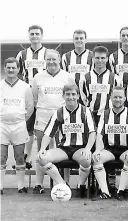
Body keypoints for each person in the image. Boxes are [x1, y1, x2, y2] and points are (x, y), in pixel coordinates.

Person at [36, 84, 95, 198]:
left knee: (87, 159)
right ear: (63, 96)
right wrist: (42, 149)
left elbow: (93, 132)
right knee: (42, 158)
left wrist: (88, 149)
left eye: (73, 94)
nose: (70, 97)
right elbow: (48, 133)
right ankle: (62, 185)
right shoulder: (58, 112)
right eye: (67, 94)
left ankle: (80, 186)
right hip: (63, 149)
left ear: (78, 96)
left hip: (80, 148)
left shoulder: (85, 111)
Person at [31, 49, 76, 194]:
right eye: (48, 59)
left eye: (53, 59)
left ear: (59, 60)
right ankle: (39, 184)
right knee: (41, 151)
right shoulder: (38, 77)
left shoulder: (67, 77)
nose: (51, 62)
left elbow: (73, 96)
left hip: (63, 118)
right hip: (43, 118)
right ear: (45, 60)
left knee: (64, 150)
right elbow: (35, 98)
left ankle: (65, 182)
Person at [92, 86, 128, 200]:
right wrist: (98, 149)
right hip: (110, 149)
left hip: (125, 149)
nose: (117, 100)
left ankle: (120, 191)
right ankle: (105, 192)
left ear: (124, 99)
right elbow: (99, 134)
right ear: (111, 98)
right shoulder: (105, 114)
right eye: (115, 97)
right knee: (96, 158)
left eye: (120, 97)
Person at [0, 58, 34, 194]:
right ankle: (0, 186)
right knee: (1, 157)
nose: (11, 70)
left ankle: (21, 186)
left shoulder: (25, 87)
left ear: (18, 69)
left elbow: (30, 107)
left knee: (19, 156)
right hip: (2, 125)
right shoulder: (0, 85)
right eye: (8, 67)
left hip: (19, 125)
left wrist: (20, 119)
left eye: (13, 67)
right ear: (4, 68)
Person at [16, 25, 48, 169]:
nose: (35, 36)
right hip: (27, 95)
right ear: (29, 36)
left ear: (42, 36)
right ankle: (27, 157)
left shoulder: (47, 53)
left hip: (43, 96)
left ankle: (46, 156)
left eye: (37, 34)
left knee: (45, 128)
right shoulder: (22, 54)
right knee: (27, 127)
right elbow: (18, 74)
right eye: (32, 34)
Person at [80, 46, 122, 124]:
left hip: (109, 116)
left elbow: (119, 98)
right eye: (97, 58)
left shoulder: (115, 78)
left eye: (102, 58)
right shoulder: (85, 78)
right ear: (93, 59)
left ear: (107, 59)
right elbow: (83, 99)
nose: (100, 60)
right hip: (91, 117)